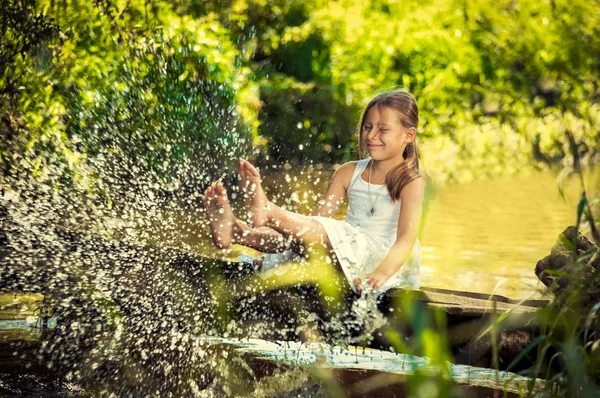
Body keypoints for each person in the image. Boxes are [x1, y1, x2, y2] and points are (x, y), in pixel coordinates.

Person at [203, 89, 424, 296]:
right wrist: (298, 240)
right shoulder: (348, 172)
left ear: (408, 135)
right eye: (368, 127)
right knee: (301, 236)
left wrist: (381, 274)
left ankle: (268, 212)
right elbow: (317, 221)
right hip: (348, 249)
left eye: (383, 129)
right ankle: (238, 233)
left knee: (327, 234)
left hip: (385, 261)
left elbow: (405, 239)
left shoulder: (411, 181)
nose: (372, 135)